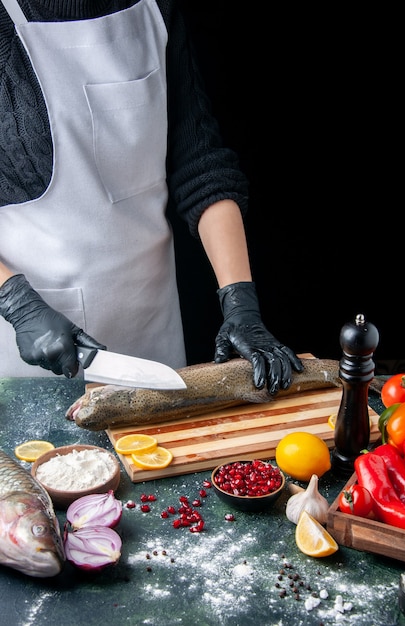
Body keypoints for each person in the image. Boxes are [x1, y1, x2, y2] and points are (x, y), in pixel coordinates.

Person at [0, 0, 303, 395]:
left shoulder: (157, 9)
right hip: (38, 337)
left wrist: (239, 301)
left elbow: (202, 165)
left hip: (151, 327)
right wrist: (17, 303)